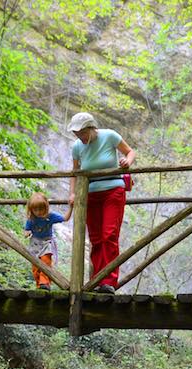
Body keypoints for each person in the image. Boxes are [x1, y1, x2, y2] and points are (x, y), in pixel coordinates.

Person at [67, 112, 135, 293]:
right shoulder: (76, 147)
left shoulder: (109, 136)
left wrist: (126, 162)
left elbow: (130, 152)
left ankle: (109, 282)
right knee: (96, 239)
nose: (79, 137)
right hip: (90, 194)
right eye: (76, 134)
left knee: (109, 235)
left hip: (113, 191)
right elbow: (75, 172)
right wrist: (72, 193)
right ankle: (97, 281)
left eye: (81, 133)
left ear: (91, 128)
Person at [24, 192, 73, 290]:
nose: (38, 212)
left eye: (41, 209)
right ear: (31, 209)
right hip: (35, 242)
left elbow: (65, 219)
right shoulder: (32, 218)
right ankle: (39, 285)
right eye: (35, 209)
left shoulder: (50, 216)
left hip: (47, 242)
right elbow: (26, 230)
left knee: (46, 262)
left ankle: (45, 283)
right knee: (35, 266)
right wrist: (27, 233)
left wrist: (71, 207)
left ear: (46, 207)